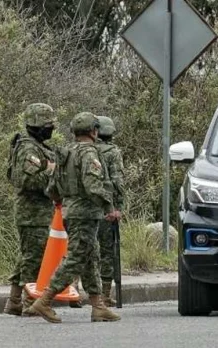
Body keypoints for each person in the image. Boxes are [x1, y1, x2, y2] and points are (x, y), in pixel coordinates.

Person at [30, 111, 121, 323]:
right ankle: (45, 299)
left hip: (71, 211)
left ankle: (98, 305)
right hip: (85, 213)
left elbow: (52, 186)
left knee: (91, 257)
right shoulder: (89, 153)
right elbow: (93, 185)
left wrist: (59, 201)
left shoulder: (65, 152)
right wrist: (109, 206)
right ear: (93, 131)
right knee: (76, 258)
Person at [4, 103, 57, 316]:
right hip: (32, 213)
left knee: (29, 255)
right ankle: (30, 302)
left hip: (38, 212)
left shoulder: (37, 146)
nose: (51, 128)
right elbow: (26, 181)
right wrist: (52, 172)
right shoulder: (28, 148)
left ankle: (14, 301)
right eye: (48, 124)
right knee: (34, 258)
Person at [95, 115, 125, 307]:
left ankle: (76, 288)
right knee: (107, 251)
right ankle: (105, 294)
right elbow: (118, 181)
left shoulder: (84, 149)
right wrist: (118, 206)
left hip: (84, 207)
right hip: (106, 207)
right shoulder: (113, 152)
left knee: (82, 249)